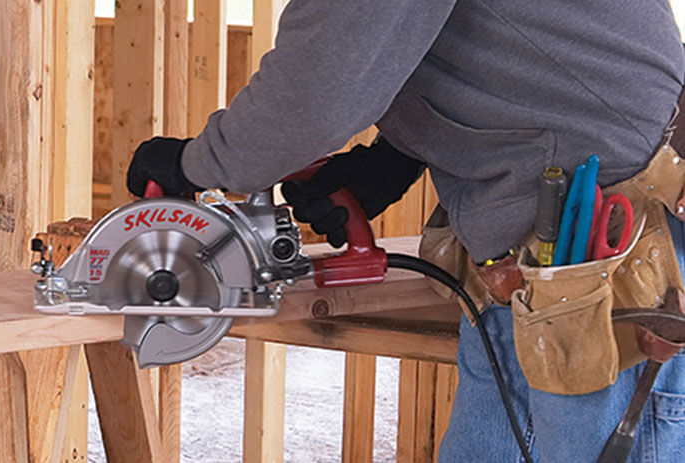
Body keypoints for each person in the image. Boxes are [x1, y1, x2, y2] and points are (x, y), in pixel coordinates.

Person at [127, 0, 685, 461]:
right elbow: (504, 42)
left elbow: (315, 96)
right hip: (534, 266)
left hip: (618, 253)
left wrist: (196, 166)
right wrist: (396, 156)